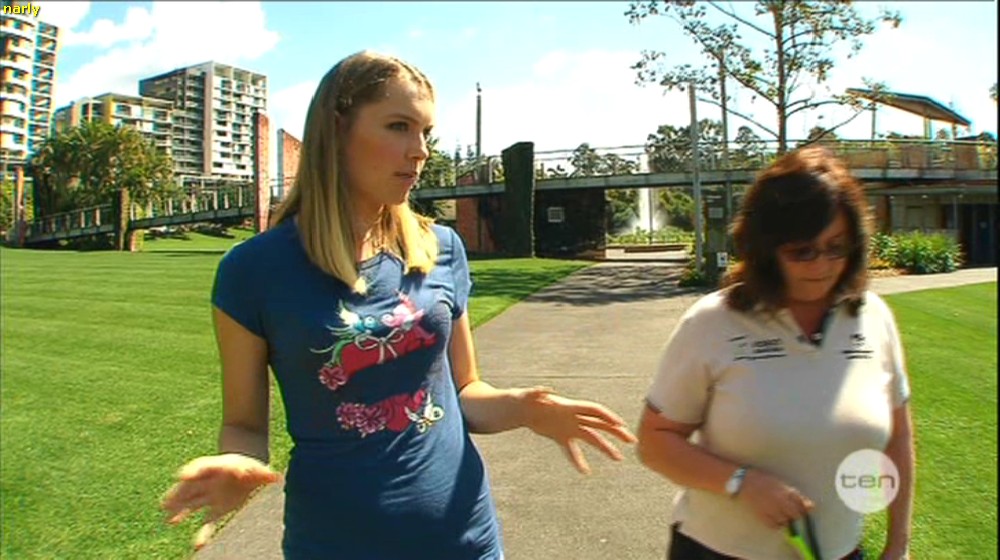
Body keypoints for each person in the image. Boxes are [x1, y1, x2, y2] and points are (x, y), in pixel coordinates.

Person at [160, 51, 636, 559]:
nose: (420, 151)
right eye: (398, 126)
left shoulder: (441, 248)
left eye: (425, 132)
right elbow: (245, 425)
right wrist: (237, 464)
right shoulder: (253, 271)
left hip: (466, 540)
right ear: (337, 128)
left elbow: (465, 390)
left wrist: (525, 407)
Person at [637, 147, 914, 560]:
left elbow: (898, 437)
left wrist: (898, 545)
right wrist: (740, 482)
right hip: (719, 552)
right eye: (802, 251)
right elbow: (655, 441)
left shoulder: (873, 317)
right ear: (767, 249)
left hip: (839, 552)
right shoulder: (712, 323)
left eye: (836, 247)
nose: (822, 265)